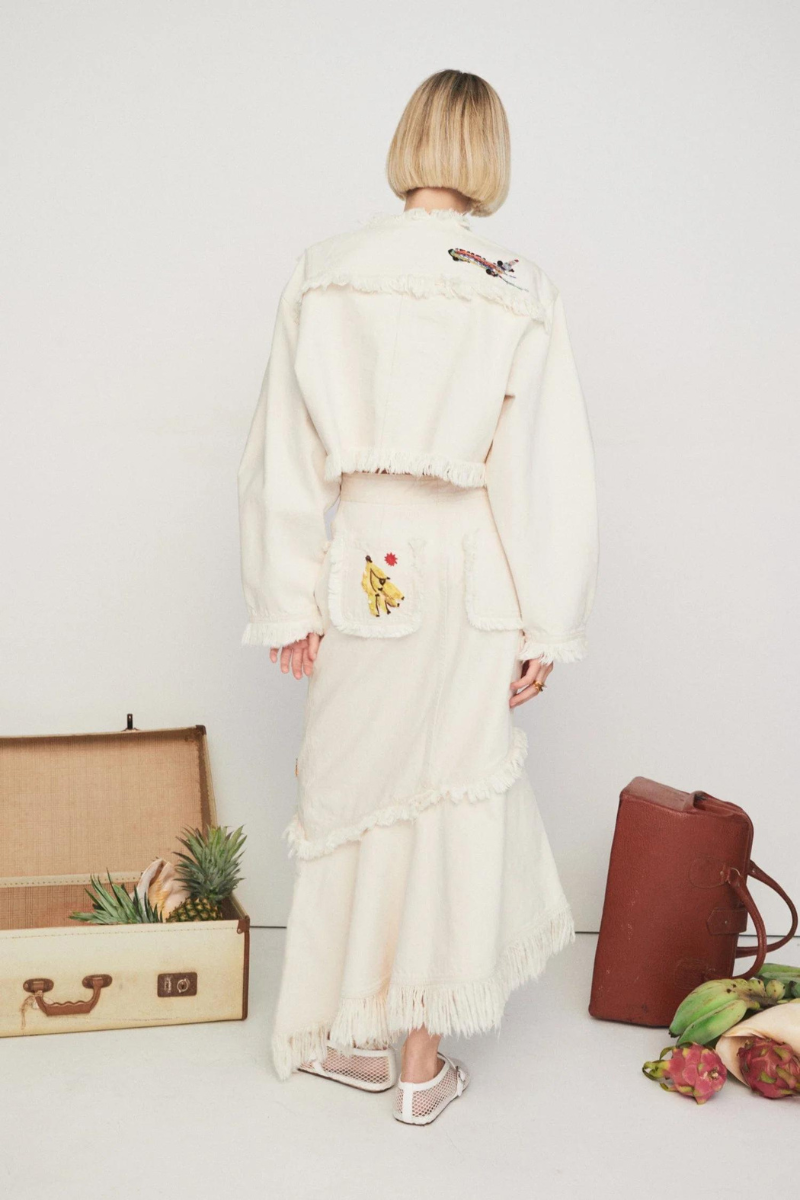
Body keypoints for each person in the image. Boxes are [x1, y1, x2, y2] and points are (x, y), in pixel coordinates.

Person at [237, 68, 598, 1125]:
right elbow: (545, 471)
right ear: (488, 152)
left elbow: (281, 454)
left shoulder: (326, 271)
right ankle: (418, 1065)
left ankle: (337, 1033)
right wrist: (547, 620)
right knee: (452, 796)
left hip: (367, 562)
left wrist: (287, 600)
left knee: (346, 799)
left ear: (407, 142)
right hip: (473, 568)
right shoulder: (518, 287)